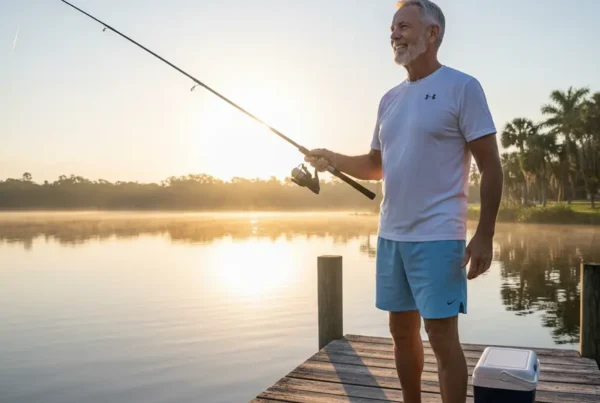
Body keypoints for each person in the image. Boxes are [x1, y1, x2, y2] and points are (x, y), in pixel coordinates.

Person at [305, 1, 503, 402]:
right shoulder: (388, 99)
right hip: (392, 235)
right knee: (400, 331)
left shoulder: (463, 87)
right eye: (392, 27)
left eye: (404, 26)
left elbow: (492, 168)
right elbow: (377, 164)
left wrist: (484, 235)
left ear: (433, 33)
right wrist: (333, 159)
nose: (394, 33)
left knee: (442, 337)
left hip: (438, 237)